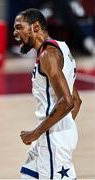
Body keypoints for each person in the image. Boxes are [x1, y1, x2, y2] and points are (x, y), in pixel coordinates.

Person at [13, 8, 82, 179]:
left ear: (35, 27)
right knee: (28, 176)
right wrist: (62, 128)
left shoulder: (47, 55)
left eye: (19, 27)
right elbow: (76, 99)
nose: (15, 33)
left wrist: (36, 133)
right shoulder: (61, 48)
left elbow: (68, 102)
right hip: (52, 135)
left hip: (52, 140)